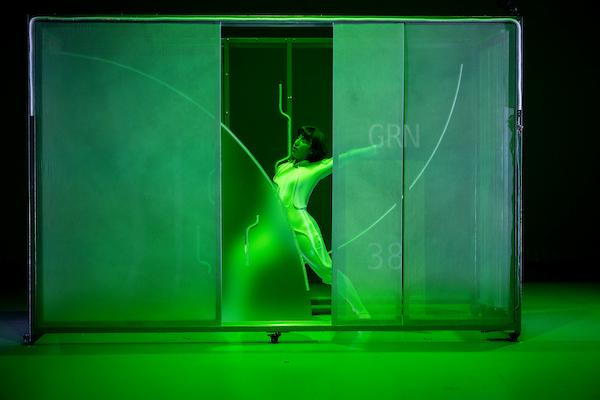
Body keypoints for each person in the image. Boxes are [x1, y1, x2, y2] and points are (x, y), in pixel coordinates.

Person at [273, 126, 378, 319]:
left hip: (300, 227)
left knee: (328, 270)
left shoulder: (316, 167)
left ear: (313, 149)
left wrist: (373, 149)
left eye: (304, 140)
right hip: (278, 230)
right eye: (298, 137)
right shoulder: (283, 167)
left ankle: (362, 313)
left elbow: (346, 157)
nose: (297, 141)